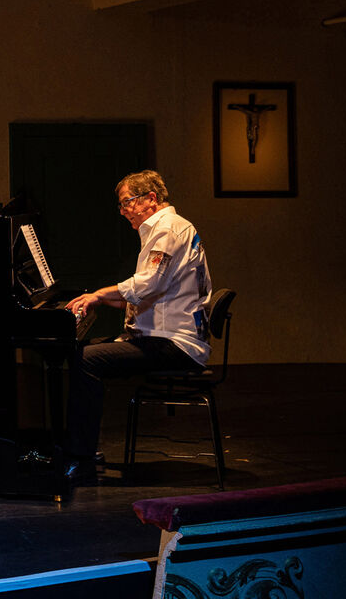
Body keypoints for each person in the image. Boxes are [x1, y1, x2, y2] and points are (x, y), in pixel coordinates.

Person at [63, 170, 212, 481]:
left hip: (174, 343)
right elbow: (149, 294)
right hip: (164, 337)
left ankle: (82, 458)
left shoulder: (168, 229)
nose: (123, 210)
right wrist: (99, 301)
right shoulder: (165, 228)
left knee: (85, 360)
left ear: (151, 199)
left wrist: (98, 294)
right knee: (81, 352)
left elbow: (147, 285)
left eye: (127, 202)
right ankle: (80, 447)